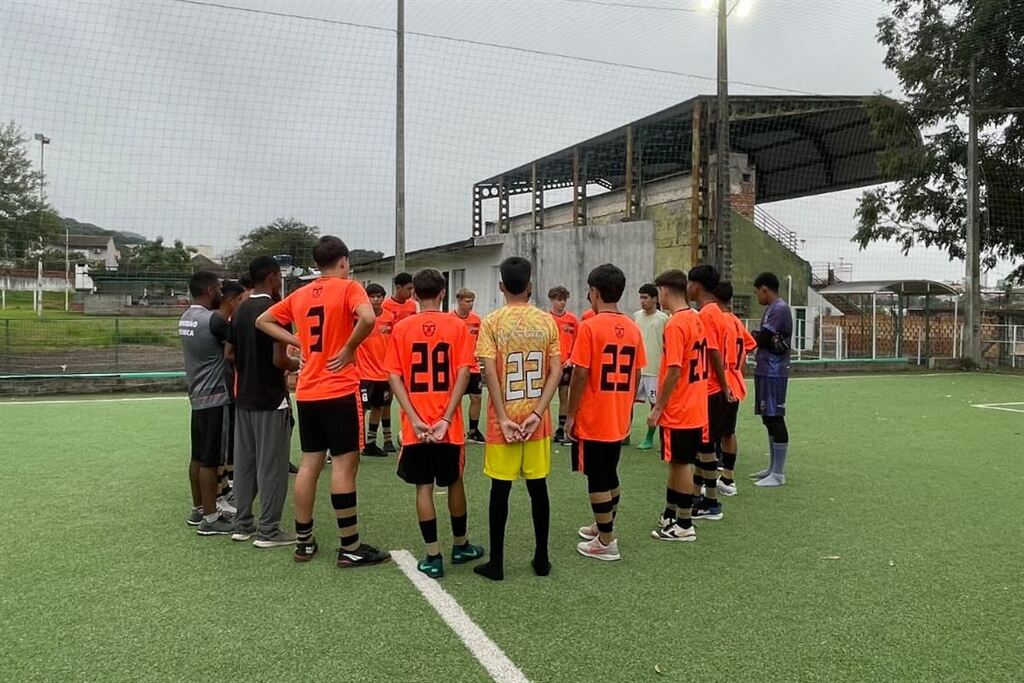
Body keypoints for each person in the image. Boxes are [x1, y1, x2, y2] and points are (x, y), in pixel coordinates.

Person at [256, 236, 390, 567]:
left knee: (309, 464)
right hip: (340, 389)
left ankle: (304, 543)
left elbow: (264, 321)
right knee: (344, 465)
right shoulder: (349, 288)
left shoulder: (299, 294)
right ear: (343, 261)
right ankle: (350, 545)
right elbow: (368, 319)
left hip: (309, 391)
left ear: (317, 264)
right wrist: (347, 349)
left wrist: (297, 340)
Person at [386, 269, 486, 578]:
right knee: (454, 481)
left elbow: (394, 376)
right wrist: (444, 419)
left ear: (414, 294)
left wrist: (415, 420)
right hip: (449, 426)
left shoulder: (402, 328)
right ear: (443, 293)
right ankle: (460, 544)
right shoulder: (458, 326)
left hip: (416, 427)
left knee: (423, 487)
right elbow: (464, 373)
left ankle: (433, 556)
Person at [473, 257, 562, 581]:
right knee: (539, 489)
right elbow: (556, 371)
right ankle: (541, 558)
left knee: (500, 490)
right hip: (537, 423)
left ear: (501, 286)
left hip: (504, 422)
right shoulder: (548, 321)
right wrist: (538, 412)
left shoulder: (491, 322)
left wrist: (504, 415)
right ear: (530, 286)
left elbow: (488, 373)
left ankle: (496, 563)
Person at [565, 264, 646, 562]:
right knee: (609, 471)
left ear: (594, 292)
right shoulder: (633, 328)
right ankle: (603, 526)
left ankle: (607, 541)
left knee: (597, 476)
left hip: (595, 414)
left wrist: (570, 415)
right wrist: (627, 406)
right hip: (618, 412)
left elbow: (580, 374)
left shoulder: (590, 326)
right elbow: (637, 372)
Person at [225, 257, 298, 548]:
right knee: (273, 466)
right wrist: (297, 364)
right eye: (279, 276)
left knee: (245, 463)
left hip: (244, 398)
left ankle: (242, 524)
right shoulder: (276, 311)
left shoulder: (240, 310)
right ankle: (269, 530)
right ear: (272, 277)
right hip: (271, 399)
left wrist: (248, 367)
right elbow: (278, 359)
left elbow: (229, 354)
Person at [647, 269, 708, 543]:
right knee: (677, 462)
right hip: (695, 403)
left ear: (664, 291)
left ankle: (684, 524)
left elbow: (673, 370)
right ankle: (672, 514)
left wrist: (658, 407)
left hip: (680, 406)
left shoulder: (675, 324)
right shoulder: (695, 319)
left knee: (681, 464)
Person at [179, 271, 234, 536]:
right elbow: (235, 350)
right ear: (211, 290)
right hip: (215, 398)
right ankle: (211, 519)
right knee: (211, 461)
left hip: (197, 396)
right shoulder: (213, 320)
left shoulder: (186, 318)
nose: (223, 293)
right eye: (220, 288)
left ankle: (199, 508)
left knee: (198, 457)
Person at [687, 265, 735, 521]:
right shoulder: (715, 311)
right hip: (714, 387)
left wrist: (723, 383)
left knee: (705, 446)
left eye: (689, 283)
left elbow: (714, 351)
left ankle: (712, 502)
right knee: (702, 447)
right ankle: (698, 495)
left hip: (710, 388)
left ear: (697, 285)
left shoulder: (706, 314)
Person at [749, 272, 793, 487]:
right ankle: (772, 468)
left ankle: (779, 473)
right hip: (765, 368)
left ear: (765, 289)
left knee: (775, 417)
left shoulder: (779, 308)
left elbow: (764, 337)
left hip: (775, 371)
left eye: (757, 291)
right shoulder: (771, 308)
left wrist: (754, 336)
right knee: (768, 417)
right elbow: (762, 337)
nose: (757, 296)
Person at [713, 282, 756, 496]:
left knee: (710, 434)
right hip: (735, 380)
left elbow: (714, 354)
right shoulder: (737, 322)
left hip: (719, 381)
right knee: (728, 432)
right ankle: (728, 479)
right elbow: (748, 348)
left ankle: (707, 482)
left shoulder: (717, 320)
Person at [215, 279, 246, 515]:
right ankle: (219, 495)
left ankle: (225, 488)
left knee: (227, 442)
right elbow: (230, 354)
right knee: (221, 446)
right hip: (221, 390)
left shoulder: (223, 321)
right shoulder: (219, 323)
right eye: (240, 300)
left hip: (227, 389)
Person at [379, 272, 417, 452]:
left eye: (413, 288)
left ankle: (407, 432)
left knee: (410, 396)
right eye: (408, 288)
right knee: (387, 399)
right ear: (398, 287)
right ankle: (387, 438)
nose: (411, 292)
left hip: (410, 357)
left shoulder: (412, 306)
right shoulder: (385, 306)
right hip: (392, 359)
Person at [357, 283, 395, 457]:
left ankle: (371, 443)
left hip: (384, 373)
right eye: (372, 296)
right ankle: (357, 443)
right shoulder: (360, 318)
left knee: (379, 407)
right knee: (362, 409)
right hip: (364, 373)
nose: (376, 299)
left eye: (379, 296)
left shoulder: (390, 317)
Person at [633, 284, 669, 451]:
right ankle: (624, 434)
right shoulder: (636, 316)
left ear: (655, 299)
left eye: (645, 297)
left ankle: (650, 438)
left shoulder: (663, 319)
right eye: (641, 297)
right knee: (628, 402)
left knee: (655, 404)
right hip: (637, 368)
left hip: (655, 369)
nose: (642, 301)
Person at [452, 288, 485, 443]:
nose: (470, 304)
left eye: (472, 301)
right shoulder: (450, 319)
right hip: (456, 367)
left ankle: (473, 430)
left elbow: (481, 341)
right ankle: (454, 428)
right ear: (459, 301)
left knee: (477, 397)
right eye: (467, 301)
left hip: (473, 365)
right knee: (455, 398)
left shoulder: (477, 320)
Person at [548, 286, 578, 444]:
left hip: (566, 364)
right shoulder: (545, 319)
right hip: (550, 365)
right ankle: (542, 426)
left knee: (564, 395)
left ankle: (561, 428)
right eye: (559, 300)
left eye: (564, 300)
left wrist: (571, 358)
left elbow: (578, 342)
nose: (562, 303)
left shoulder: (572, 320)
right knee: (545, 396)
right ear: (552, 300)